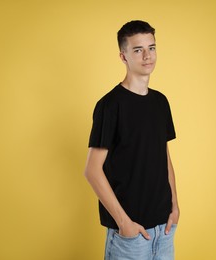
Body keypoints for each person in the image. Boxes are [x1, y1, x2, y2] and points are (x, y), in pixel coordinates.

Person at [84, 20, 179, 260]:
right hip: (130, 235)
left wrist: (174, 207)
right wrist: (124, 223)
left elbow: (163, 157)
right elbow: (92, 170)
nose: (147, 56)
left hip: (165, 229)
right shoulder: (110, 106)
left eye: (152, 47)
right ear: (123, 56)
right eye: (138, 50)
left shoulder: (161, 102)